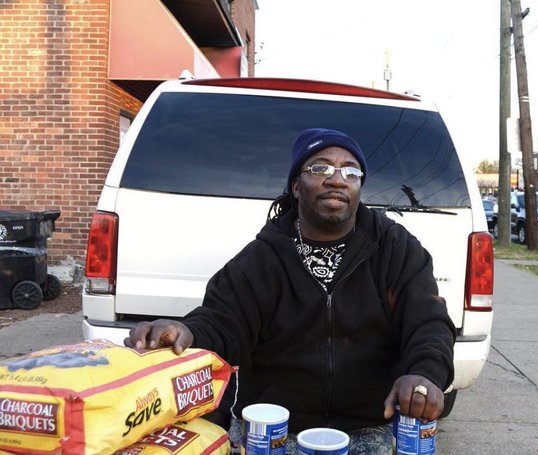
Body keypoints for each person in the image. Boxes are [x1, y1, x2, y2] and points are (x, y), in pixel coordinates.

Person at [125, 128, 455, 454]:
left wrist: (425, 374)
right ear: (296, 186)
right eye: (321, 168)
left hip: (370, 427)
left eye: (351, 172)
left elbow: (428, 321)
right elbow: (222, 321)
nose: (337, 180)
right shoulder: (262, 259)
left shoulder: (395, 249)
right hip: (275, 430)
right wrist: (186, 331)